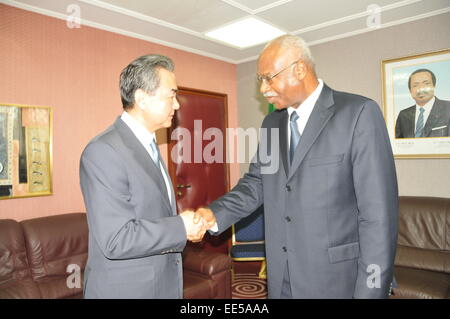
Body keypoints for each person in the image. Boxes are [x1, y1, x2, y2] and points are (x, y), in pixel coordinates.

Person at [195, 35, 398, 298]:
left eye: (270, 77)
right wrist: (215, 213)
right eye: (261, 81)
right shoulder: (272, 123)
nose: (264, 89)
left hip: (336, 279)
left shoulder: (358, 114)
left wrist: (372, 290)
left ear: (300, 69)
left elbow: (378, 215)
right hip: (281, 276)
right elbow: (256, 183)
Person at [79, 54, 207, 299]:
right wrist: (181, 226)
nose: (177, 104)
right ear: (142, 99)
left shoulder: (149, 146)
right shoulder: (103, 151)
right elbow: (117, 238)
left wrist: (184, 226)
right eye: (171, 95)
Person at [395, 69, 450, 138]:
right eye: (415, 85)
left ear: (434, 86)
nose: (421, 88)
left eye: (426, 83)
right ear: (410, 91)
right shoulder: (403, 115)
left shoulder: (448, 108)